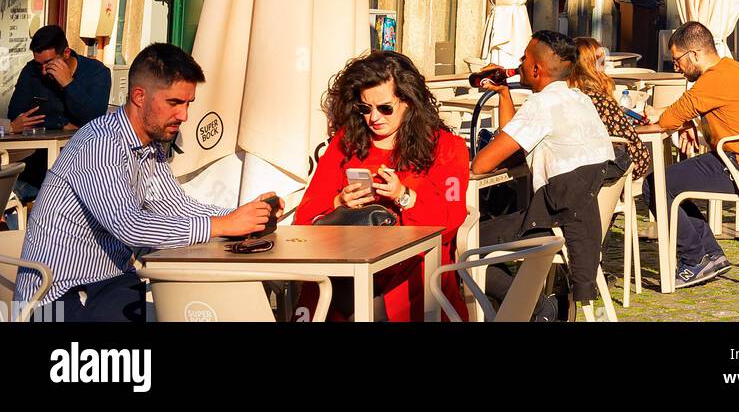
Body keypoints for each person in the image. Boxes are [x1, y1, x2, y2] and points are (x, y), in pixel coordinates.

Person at [15, 43, 281, 322]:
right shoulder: (100, 143)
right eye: (174, 103)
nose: (184, 115)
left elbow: (178, 206)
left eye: (188, 103)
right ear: (139, 96)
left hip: (111, 285)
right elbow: (130, 225)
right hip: (57, 300)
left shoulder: (148, 147)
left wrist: (246, 216)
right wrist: (224, 225)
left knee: (211, 310)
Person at [294, 51, 469, 321]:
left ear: (409, 102)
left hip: (413, 279)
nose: (374, 118)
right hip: (345, 277)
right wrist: (339, 203)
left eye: (385, 108)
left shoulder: (446, 147)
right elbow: (304, 217)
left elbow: (451, 222)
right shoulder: (346, 143)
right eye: (365, 109)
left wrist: (405, 196)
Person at [472, 32, 618, 314]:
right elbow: (514, 136)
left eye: (524, 58)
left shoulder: (540, 105)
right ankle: (527, 307)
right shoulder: (579, 99)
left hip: (555, 219)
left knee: (459, 244)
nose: (519, 62)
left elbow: (480, 165)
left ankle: (538, 309)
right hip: (579, 216)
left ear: (536, 69)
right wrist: (504, 92)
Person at [636, 20, 739, 290]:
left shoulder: (714, 79)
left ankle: (694, 257)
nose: (675, 67)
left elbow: (674, 115)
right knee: (669, 185)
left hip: (736, 165)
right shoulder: (731, 69)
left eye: (677, 60)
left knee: (655, 185)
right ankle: (711, 253)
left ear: (694, 54)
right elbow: (696, 111)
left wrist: (664, 118)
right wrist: (688, 123)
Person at [5, 25, 111, 204]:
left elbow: (95, 122)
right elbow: (17, 117)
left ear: (67, 53)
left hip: (83, 168)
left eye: (49, 63)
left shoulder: (97, 73)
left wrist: (68, 84)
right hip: (40, 166)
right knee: (8, 194)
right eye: (40, 64)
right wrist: (59, 122)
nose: (44, 70)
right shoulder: (31, 71)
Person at [570, 36, 650, 182]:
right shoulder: (602, 102)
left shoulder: (563, 99)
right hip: (606, 179)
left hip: (570, 176)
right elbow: (639, 155)